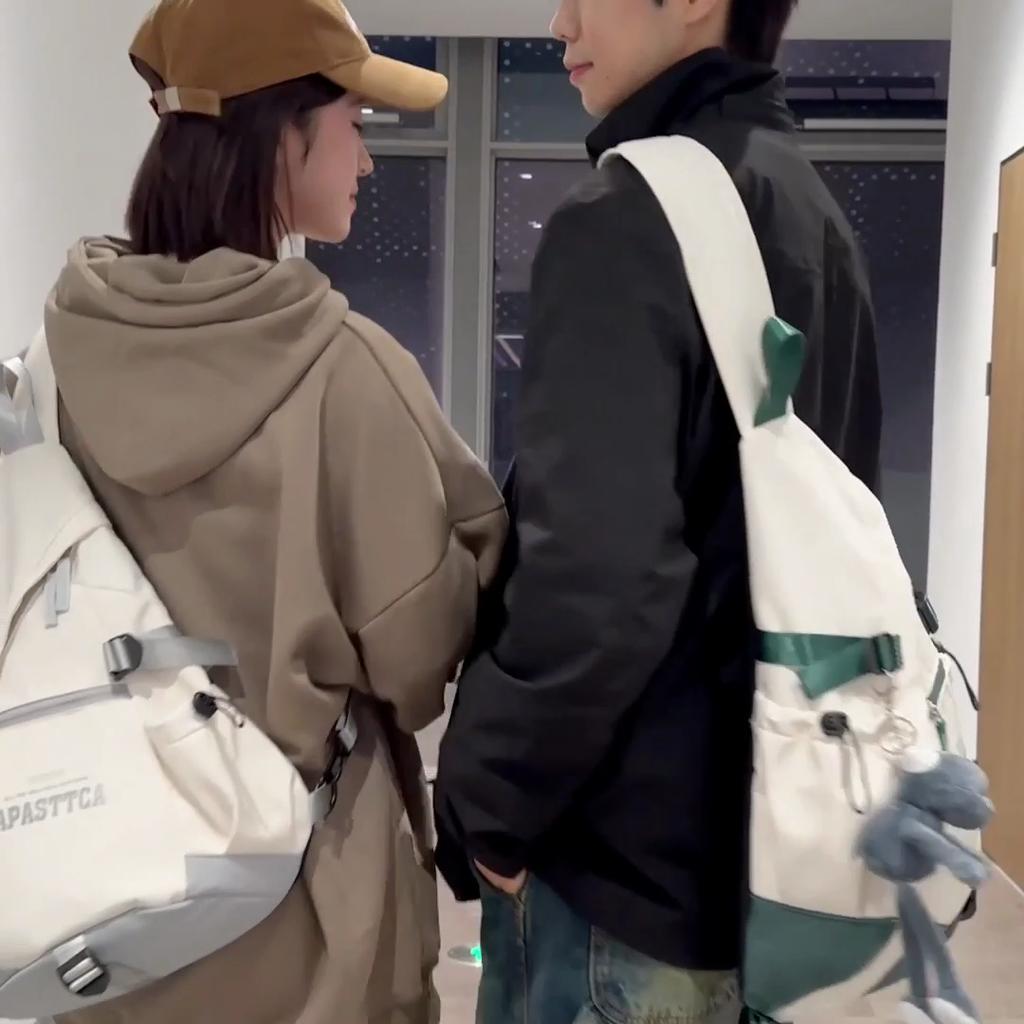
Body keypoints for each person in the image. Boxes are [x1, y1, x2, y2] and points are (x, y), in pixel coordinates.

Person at [43, 1, 506, 1023]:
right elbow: (419, 655)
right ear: (279, 132)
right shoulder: (345, 370)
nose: (366, 159)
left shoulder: (55, 368)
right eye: (353, 122)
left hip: (118, 912)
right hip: (307, 910)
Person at [434, 0, 883, 1021]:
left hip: (618, 876)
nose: (559, 23)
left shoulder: (624, 217)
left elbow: (597, 579)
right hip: (770, 854)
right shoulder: (810, 211)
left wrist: (486, 801)